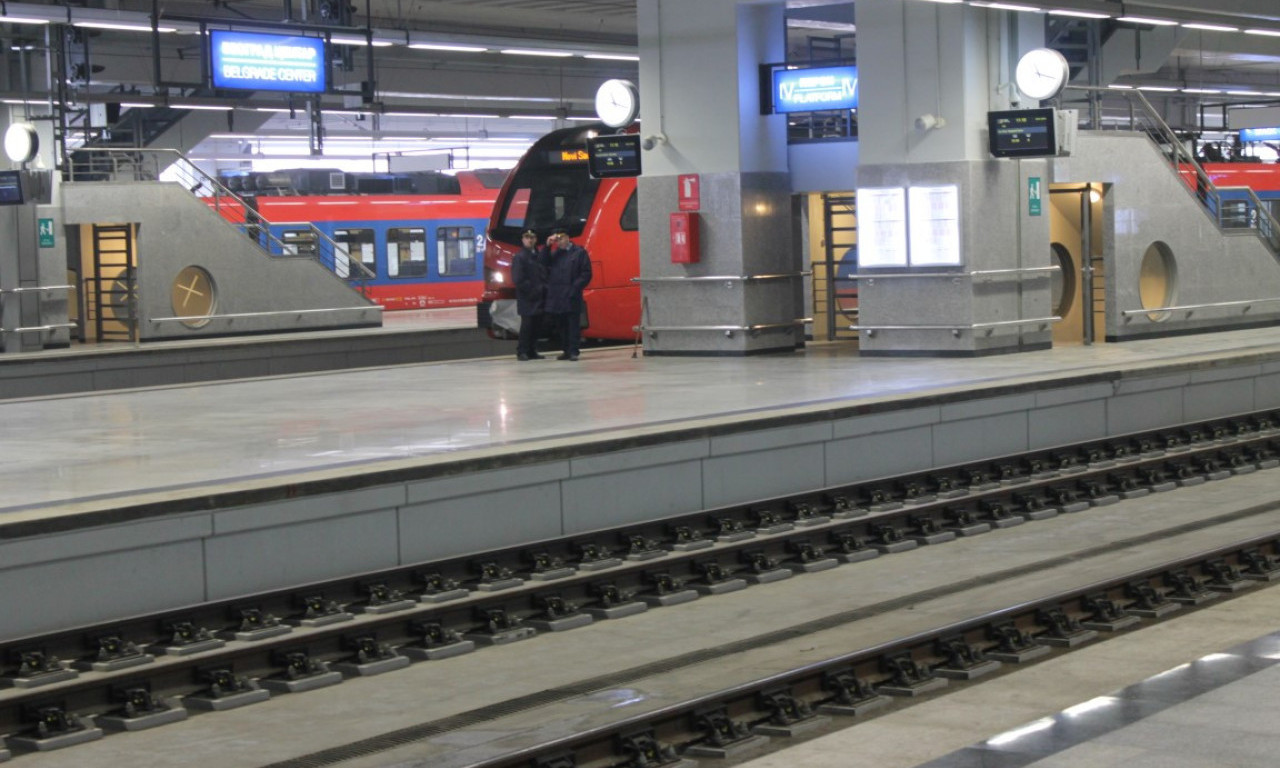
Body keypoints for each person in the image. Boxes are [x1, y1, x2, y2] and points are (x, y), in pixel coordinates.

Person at [543, 229, 592, 361]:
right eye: (557, 240)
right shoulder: (555, 254)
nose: (559, 242)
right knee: (561, 325)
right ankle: (566, 350)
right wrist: (547, 246)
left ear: (568, 238)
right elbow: (543, 263)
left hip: (571, 296)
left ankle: (573, 351)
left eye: (561, 238)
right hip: (557, 296)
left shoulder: (579, 253)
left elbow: (586, 273)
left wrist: (574, 288)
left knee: (573, 325)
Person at [512, 229, 547, 361]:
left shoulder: (537, 255)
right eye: (527, 237)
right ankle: (522, 351)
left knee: (537, 325)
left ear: (535, 239)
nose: (530, 240)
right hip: (527, 298)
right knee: (527, 326)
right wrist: (533, 290)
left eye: (532, 237)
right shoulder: (520, 257)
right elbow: (518, 279)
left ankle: (532, 350)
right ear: (523, 240)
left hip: (539, 297)